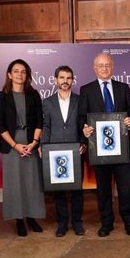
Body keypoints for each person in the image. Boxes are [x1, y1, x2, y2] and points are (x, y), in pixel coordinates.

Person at [79, 53, 130, 237]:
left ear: (112, 68)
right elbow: (82, 117)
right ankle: (106, 223)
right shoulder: (86, 89)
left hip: (122, 147)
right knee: (103, 188)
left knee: (125, 188)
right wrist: (84, 129)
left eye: (108, 65)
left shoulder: (123, 87)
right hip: (99, 149)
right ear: (95, 68)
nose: (104, 69)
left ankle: (129, 222)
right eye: (101, 66)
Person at [0, 59, 45, 236]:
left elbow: (40, 120)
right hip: (11, 143)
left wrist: (34, 142)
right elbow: (0, 126)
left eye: (23, 71)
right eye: (16, 71)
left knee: (32, 181)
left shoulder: (34, 95)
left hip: (31, 142)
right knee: (15, 183)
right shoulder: (1, 96)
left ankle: (32, 216)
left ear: (27, 75)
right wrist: (16, 145)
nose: (19, 75)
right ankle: (18, 219)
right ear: (9, 74)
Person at [41, 65, 85, 237]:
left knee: (77, 190)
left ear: (72, 80)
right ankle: (62, 224)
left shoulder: (80, 100)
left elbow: (84, 124)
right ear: (55, 80)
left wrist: (84, 143)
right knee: (58, 190)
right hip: (55, 151)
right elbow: (46, 126)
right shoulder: (47, 102)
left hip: (76, 150)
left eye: (68, 78)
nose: (65, 81)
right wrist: (44, 146)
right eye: (61, 78)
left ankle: (77, 223)